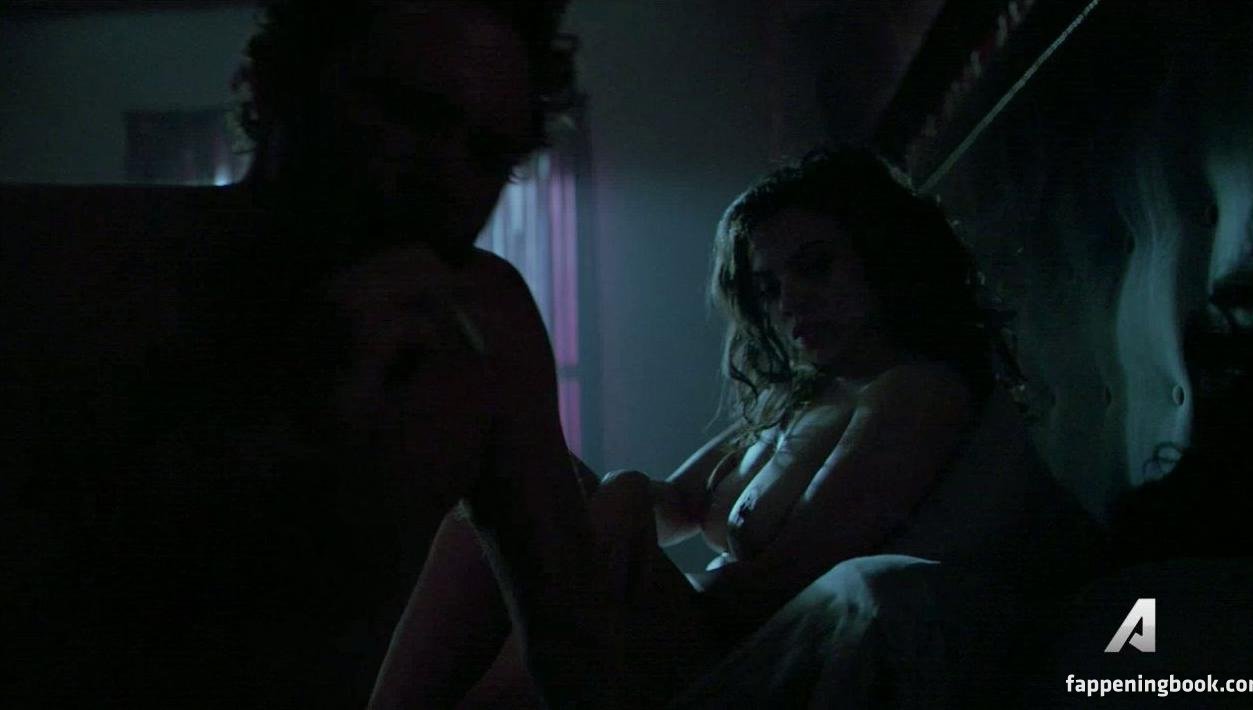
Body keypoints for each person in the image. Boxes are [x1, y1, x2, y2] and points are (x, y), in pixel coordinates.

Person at [3, 0, 603, 706]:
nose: (445, 177)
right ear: (275, 85)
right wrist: (285, 426)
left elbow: (578, 646)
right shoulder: (55, 262)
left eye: (489, 155)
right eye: (409, 115)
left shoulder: (486, 333)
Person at [373, 146, 1098, 707]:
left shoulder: (913, 392)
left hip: (736, 647)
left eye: (815, 268)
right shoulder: (799, 402)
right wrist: (589, 516)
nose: (790, 303)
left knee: (589, 504)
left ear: (881, 256)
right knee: (507, 507)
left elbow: (783, 583)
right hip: (699, 625)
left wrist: (605, 560)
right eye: (768, 287)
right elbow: (678, 504)